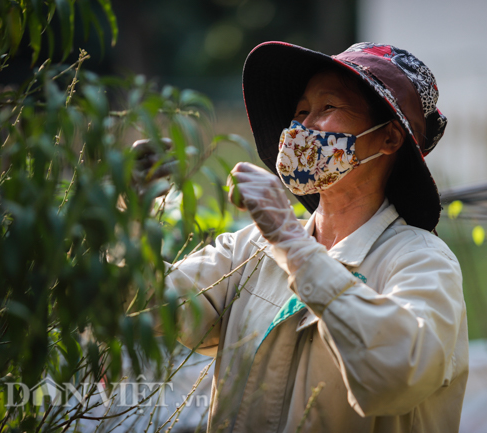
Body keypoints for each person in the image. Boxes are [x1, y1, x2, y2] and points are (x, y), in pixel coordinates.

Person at [139, 42, 468, 432]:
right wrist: (126, 217)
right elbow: (150, 306)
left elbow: (395, 374)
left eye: (327, 107)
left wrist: (290, 243)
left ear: (389, 139)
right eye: (300, 112)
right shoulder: (251, 249)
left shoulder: (422, 262)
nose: (302, 127)